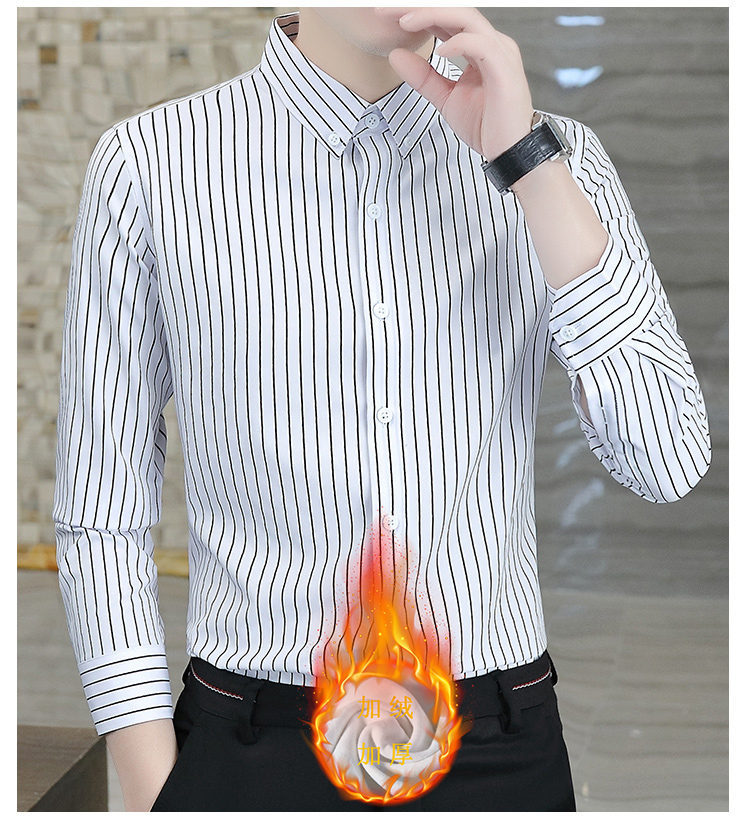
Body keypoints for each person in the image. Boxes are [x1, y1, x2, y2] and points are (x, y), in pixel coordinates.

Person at [52, 6, 711, 812]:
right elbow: (101, 510)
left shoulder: (558, 160)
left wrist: (529, 166)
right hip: (250, 745)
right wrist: (157, 787)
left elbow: (667, 461)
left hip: (496, 743)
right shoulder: (150, 163)